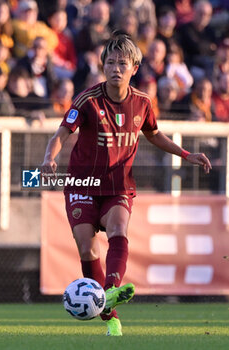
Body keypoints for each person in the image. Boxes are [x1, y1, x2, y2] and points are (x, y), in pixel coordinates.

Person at [41, 34, 211, 336]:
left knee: (119, 229)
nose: (116, 67)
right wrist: (47, 158)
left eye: (122, 62)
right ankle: (111, 316)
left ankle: (108, 293)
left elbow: (154, 134)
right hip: (83, 183)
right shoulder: (87, 100)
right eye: (110, 62)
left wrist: (186, 154)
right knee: (86, 249)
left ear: (134, 67)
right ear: (102, 66)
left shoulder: (143, 102)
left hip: (118, 185)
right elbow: (62, 133)